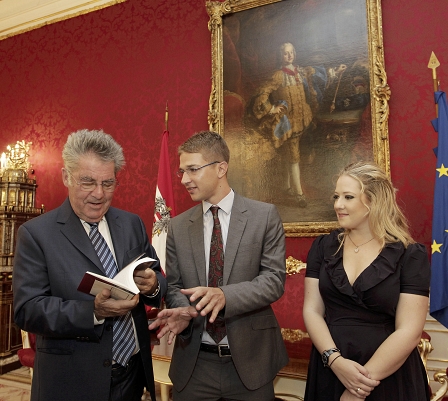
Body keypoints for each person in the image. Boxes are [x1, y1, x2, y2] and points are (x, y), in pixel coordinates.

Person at [13, 129, 167, 401]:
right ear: (66, 177)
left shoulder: (131, 223)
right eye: (87, 182)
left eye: (108, 183)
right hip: (71, 381)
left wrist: (153, 284)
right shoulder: (36, 234)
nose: (99, 194)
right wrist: (92, 312)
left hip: (132, 376)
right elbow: (27, 310)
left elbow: (156, 275)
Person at [148, 130, 288, 400]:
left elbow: (273, 281)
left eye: (193, 170)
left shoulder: (263, 216)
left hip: (251, 363)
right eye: (181, 172)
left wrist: (225, 296)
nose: (185, 180)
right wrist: (184, 311)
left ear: (221, 168)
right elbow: (176, 286)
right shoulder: (177, 226)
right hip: (194, 364)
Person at [303, 161, 431, 401]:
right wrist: (335, 361)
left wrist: (358, 388)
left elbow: (410, 331)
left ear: (373, 201)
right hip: (330, 368)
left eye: (348, 197)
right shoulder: (322, 247)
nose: (338, 205)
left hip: (388, 373)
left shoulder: (409, 254)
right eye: (336, 196)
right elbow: (312, 310)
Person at [250, 42, 346, 207]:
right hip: (287, 123)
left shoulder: (301, 72)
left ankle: (286, 187)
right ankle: (299, 194)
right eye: (285, 53)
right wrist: (271, 108)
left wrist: (336, 71)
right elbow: (262, 92)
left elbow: (320, 75)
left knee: (291, 153)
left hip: (303, 119)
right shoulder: (278, 76)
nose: (289, 56)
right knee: (294, 156)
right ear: (280, 56)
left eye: (291, 52)